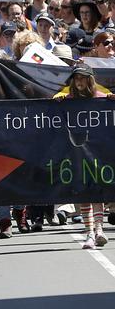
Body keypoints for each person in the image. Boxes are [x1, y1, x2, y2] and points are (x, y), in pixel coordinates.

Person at [56, 64, 115, 249]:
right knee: (83, 192)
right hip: (75, 152)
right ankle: (89, 232)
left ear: (90, 79)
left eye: (83, 77)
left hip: (98, 152)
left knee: (97, 190)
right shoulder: (67, 99)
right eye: (76, 78)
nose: (79, 81)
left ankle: (99, 230)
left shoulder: (101, 99)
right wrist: (58, 102)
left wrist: (112, 100)